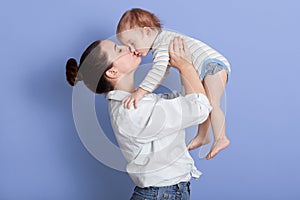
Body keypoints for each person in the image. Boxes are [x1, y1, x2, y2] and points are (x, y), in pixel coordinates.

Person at [66, 37, 212, 199]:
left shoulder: (136, 101)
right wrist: (186, 66)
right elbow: (199, 108)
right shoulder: (131, 110)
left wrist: (178, 66)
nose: (127, 47)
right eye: (119, 50)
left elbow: (184, 101)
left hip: (165, 193)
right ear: (112, 72)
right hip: (162, 194)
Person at [116, 8, 231, 160]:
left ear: (147, 32)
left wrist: (141, 91)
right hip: (207, 67)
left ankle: (221, 138)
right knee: (206, 103)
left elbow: (158, 70)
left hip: (212, 66)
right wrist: (145, 90)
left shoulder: (161, 43)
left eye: (132, 43)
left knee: (213, 104)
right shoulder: (162, 41)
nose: (131, 50)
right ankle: (203, 136)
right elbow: (162, 72)